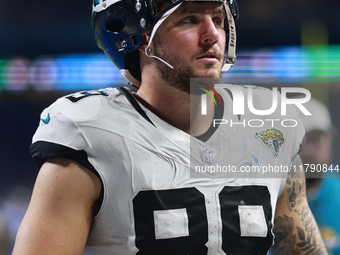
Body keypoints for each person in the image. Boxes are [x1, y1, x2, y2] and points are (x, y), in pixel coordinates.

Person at [13, 0, 327, 254]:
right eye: (189, 18)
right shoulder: (90, 136)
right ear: (141, 34)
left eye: (218, 19)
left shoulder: (269, 131)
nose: (212, 35)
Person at [298, 98, 340, 255]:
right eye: (300, 140)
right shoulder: (264, 199)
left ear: (330, 139)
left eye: (315, 139)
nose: (308, 150)